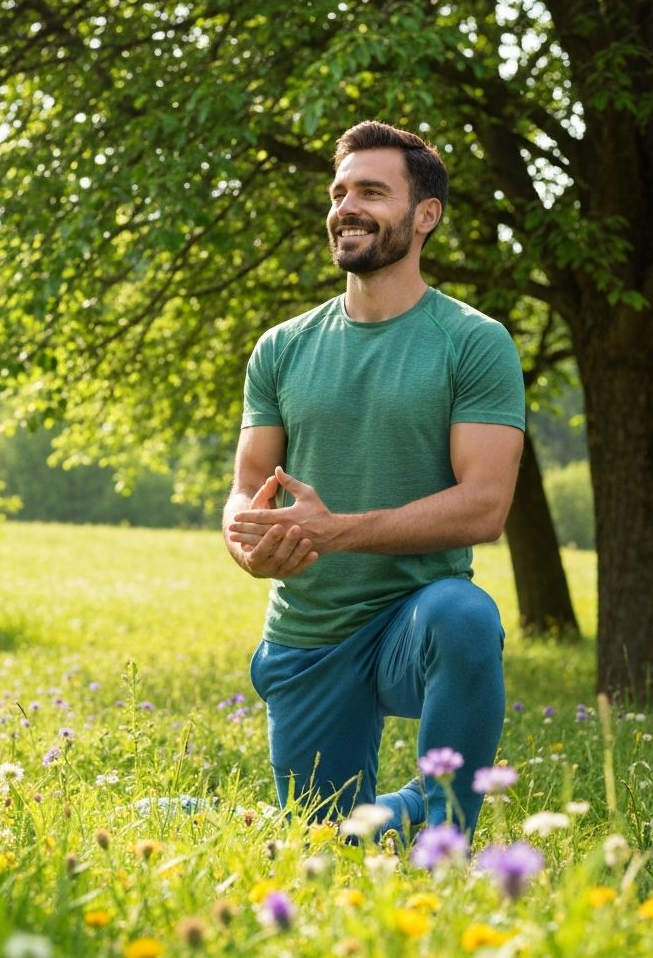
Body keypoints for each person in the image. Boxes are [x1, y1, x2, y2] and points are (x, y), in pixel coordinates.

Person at [222, 120, 525, 839]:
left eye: (371, 192)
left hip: (413, 623)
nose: (346, 208)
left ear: (426, 215)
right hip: (310, 631)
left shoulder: (474, 342)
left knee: (465, 614)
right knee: (321, 835)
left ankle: (445, 833)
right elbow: (246, 486)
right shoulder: (282, 347)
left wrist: (338, 532)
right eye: (339, 193)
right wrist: (247, 546)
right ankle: (391, 812)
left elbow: (484, 506)